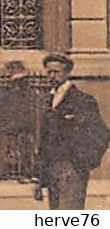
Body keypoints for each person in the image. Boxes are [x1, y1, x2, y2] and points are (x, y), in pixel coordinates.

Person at [37, 52, 110, 210]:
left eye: (56, 72)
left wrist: (82, 163)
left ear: (67, 72)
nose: (51, 76)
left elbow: (101, 133)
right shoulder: (48, 100)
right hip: (52, 168)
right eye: (48, 72)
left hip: (73, 169)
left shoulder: (82, 100)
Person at [0, 60, 40, 183]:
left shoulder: (12, 91)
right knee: (14, 149)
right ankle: (8, 173)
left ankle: (16, 173)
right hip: (15, 123)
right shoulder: (21, 92)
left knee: (21, 149)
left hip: (18, 123)